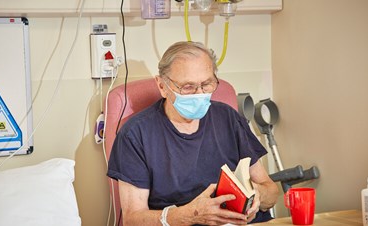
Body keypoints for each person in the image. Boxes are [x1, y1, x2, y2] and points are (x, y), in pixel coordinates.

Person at [107, 41, 279, 226]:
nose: (199, 94)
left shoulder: (227, 117)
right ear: (162, 86)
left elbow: (271, 190)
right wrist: (189, 215)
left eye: (207, 84)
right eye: (188, 87)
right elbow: (133, 219)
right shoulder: (135, 135)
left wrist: (256, 196)